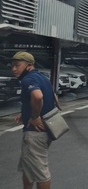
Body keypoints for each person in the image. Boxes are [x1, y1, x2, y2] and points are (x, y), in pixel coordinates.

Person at [11, 52, 57, 189]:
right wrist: (24, 114)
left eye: (17, 65)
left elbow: (37, 96)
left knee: (40, 173)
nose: (14, 69)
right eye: (12, 66)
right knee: (28, 168)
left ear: (29, 66)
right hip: (46, 129)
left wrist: (35, 117)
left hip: (35, 133)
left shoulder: (28, 80)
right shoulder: (42, 77)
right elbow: (54, 96)